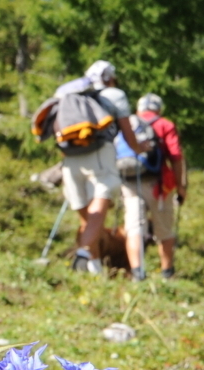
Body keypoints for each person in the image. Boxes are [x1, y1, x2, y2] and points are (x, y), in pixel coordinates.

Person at [37, 60, 147, 275]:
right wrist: (138, 148)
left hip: (70, 156)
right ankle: (84, 252)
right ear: (111, 78)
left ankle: (93, 267)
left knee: (84, 213)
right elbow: (126, 131)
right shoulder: (115, 95)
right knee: (102, 196)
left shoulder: (68, 94)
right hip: (99, 152)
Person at [113, 93, 187, 280]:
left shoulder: (127, 123)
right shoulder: (165, 125)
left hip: (129, 182)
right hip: (158, 186)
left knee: (134, 227)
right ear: (158, 109)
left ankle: (138, 272)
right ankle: (166, 273)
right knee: (164, 230)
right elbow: (176, 157)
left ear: (139, 109)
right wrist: (181, 186)